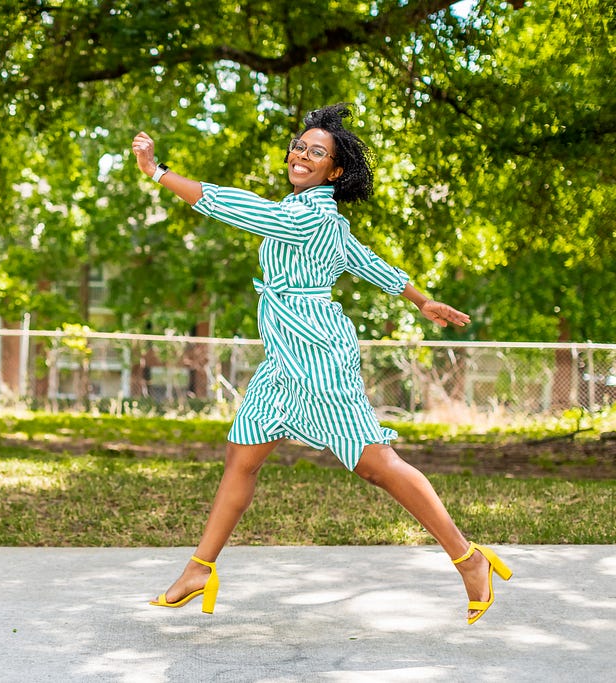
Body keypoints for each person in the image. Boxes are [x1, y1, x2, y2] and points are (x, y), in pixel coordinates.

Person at [130, 103, 511, 625]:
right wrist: (421, 299)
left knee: (377, 465)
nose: (302, 155)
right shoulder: (323, 218)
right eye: (299, 146)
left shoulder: (307, 215)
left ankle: (470, 560)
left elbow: (234, 207)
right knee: (242, 457)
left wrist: (158, 172)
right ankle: (200, 568)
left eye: (317, 152)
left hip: (317, 357)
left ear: (335, 171)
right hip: (284, 360)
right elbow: (366, 261)